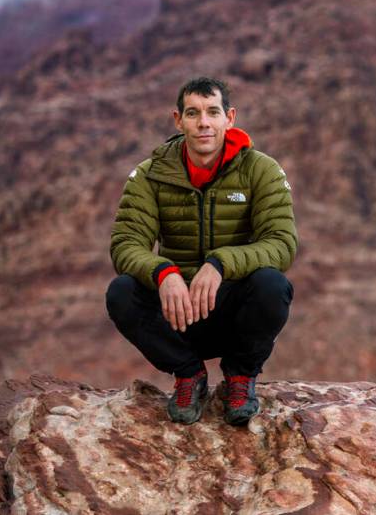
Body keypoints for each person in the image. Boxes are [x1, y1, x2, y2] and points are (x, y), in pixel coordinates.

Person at [105, 77, 297, 425]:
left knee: (272, 285)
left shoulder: (261, 171)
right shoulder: (150, 176)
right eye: (193, 113)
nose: (203, 123)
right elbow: (126, 244)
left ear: (230, 117)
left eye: (212, 112)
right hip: (177, 312)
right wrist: (162, 272)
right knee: (121, 292)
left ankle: (240, 377)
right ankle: (188, 374)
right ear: (178, 120)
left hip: (232, 311)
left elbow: (281, 243)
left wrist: (222, 263)